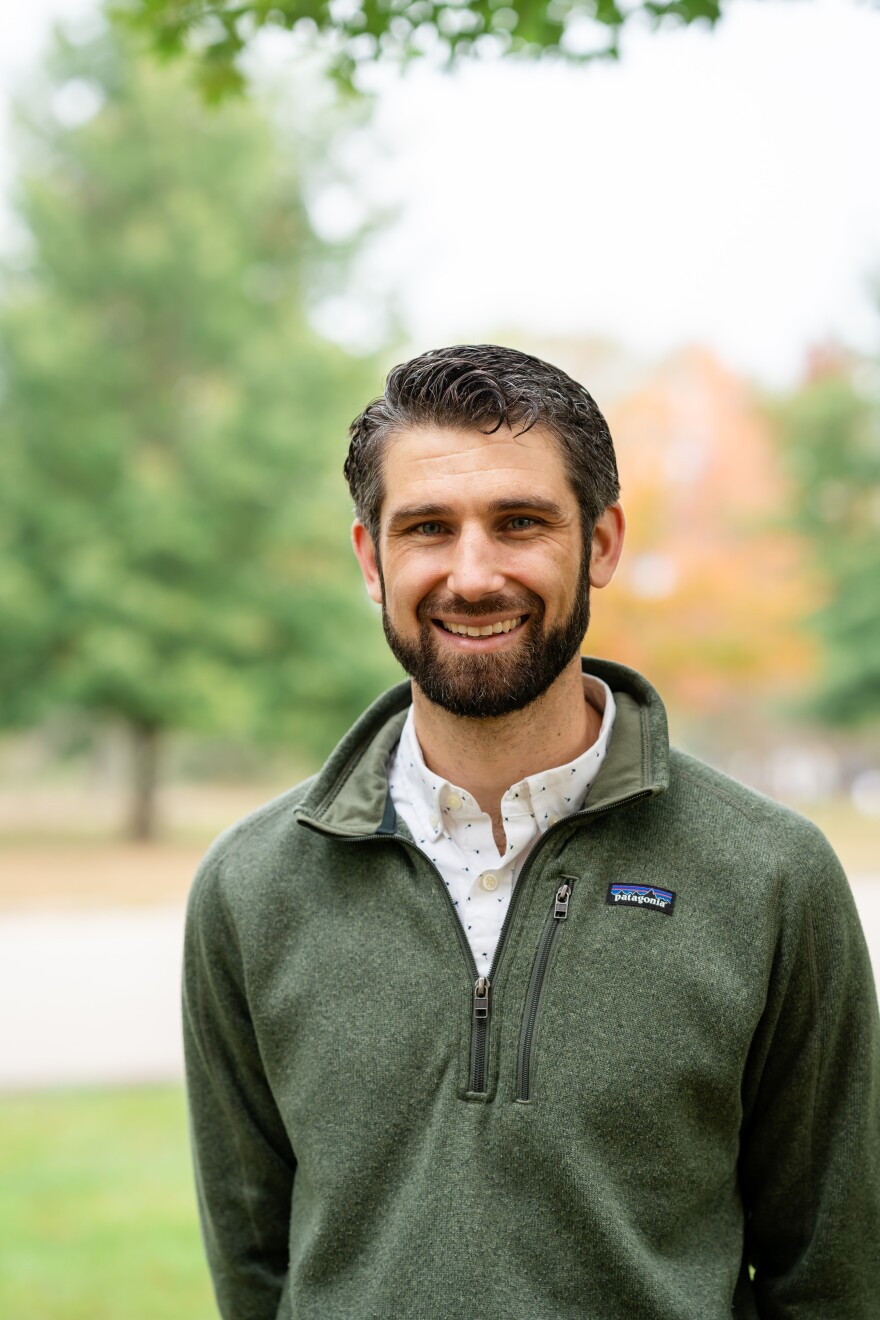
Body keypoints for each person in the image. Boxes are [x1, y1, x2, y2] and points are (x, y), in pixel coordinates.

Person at [183, 344, 880, 1320]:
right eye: (427, 527)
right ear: (369, 559)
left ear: (598, 543)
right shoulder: (250, 887)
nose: (472, 575)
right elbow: (255, 1271)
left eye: (519, 523)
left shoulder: (770, 876)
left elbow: (834, 1279)